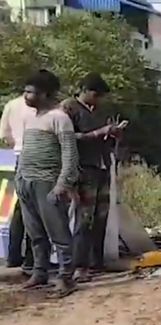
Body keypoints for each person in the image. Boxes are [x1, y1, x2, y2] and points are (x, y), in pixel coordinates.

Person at [16, 70, 81, 297]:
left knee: (59, 233)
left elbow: (70, 155)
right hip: (26, 182)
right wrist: (20, 179)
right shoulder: (30, 117)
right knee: (35, 233)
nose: (25, 96)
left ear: (44, 94)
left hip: (48, 182)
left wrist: (62, 184)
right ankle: (40, 272)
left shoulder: (60, 118)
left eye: (30, 92)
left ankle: (65, 277)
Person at [61, 73, 122, 282]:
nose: (98, 99)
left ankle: (97, 261)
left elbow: (104, 135)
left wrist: (113, 134)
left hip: (102, 166)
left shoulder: (99, 111)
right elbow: (66, 138)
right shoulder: (68, 108)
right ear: (84, 91)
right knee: (83, 219)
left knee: (101, 216)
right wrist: (98, 133)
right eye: (95, 94)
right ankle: (80, 265)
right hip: (83, 169)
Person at [0, 93, 38, 273]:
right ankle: (31, 258)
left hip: (15, 156)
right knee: (34, 207)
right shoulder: (42, 107)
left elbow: (4, 133)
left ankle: (13, 255)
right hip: (35, 156)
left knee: (17, 207)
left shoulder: (11, 105)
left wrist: (15, 145)